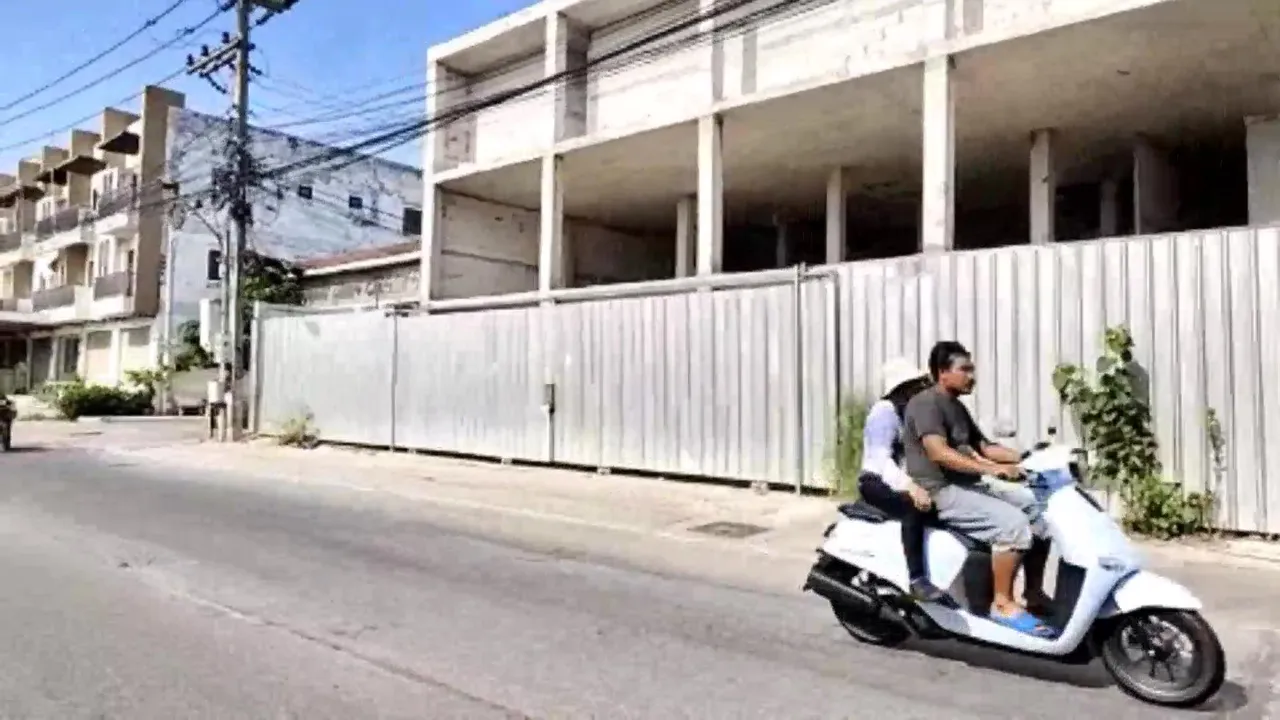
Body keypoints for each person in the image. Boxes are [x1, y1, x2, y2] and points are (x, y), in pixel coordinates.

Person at [901, 340, 1056, 637]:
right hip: (939, 491)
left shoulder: (956, 406)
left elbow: (984, 446)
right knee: (1013, 525)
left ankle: (1033, 593)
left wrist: (1027, 457)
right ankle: (1002, 604)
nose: (972, 376)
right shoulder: (925, 404)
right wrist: (991, 469)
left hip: (966, 484)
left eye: (972, 369)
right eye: (965, 370)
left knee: (1038, 513)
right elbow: (938, 452)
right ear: (942, 372)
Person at [856, 358, 948, 602]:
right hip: (876, 481)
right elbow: (881, 460)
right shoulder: (884, 412)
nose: (920, 389)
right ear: (902, 388)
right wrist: (911, 488)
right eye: (915, 385)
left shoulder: (910, 412)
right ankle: (917, 579)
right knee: (912, 508)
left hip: (902, 478)